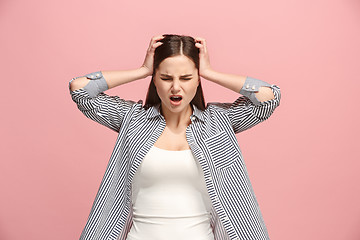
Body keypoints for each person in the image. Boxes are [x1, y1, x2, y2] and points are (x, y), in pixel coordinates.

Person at [68, 34, 281, 240]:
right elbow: (80, 90)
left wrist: (209, 72)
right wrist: (142, 70)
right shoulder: (133, 120)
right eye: (166, 78)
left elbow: (268, 98)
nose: (176, 87)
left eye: (186, 78)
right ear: (154, 80)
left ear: (198, 81)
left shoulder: (218, 122)